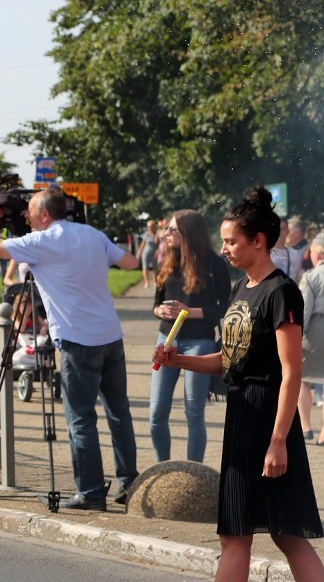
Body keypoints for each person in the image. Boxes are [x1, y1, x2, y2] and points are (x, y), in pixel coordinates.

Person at [152, 186, 324, 582]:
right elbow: (230, 361)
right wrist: (179, 359)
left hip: (268, 417)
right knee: (239, 534)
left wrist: (278, 441)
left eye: (231, 241)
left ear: (258, 241)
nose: (225, 249)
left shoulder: (281, 291)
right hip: (241, 412)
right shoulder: (240, 288)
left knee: (286, 533)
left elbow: (291, 372)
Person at [0, 187, 141, 511]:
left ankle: (92, 492)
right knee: (119, 414)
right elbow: (130, 262)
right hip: (110, 336)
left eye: (29, 211)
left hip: (77, 341)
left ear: (45, 215)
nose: (26, 216)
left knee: (81, 418)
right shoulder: (93, 234)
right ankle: (129, 483)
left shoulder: (41, 243)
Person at [149, 210, 231, 462]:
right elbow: (156, 303)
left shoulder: (214, 263)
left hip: (200, 341)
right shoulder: (167, 261)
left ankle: (194, 472)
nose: (167, 234)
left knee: (194, 412)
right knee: (156, 414)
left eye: (172, 230)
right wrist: (159, 310)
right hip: (166, 339)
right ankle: (163, 469)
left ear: (188, 232)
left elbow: (226, 306)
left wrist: (189, 312)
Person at [298, 233, 324, 444]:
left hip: (316, 331)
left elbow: (304, 310)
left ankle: (306, 427)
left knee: (302, 380)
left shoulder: (311, 277)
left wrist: (297, 336)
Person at [271, 217, 304, 284]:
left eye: (282, 229)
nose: (279, 232)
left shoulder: (295, 255)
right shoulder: (264, 253)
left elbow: (298, 279)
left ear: (288, 231)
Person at [135, 220, 158, 288]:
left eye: (151, 226)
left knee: (155, 268)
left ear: (154, 226)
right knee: (145, 267)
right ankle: (146, 282)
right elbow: (142, 245)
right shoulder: (146, 235)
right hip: (146, 253)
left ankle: (155, 281)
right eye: (148, 227)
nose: (150, 228)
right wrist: (138, 253)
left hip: (154, 253)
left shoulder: (157, 234)